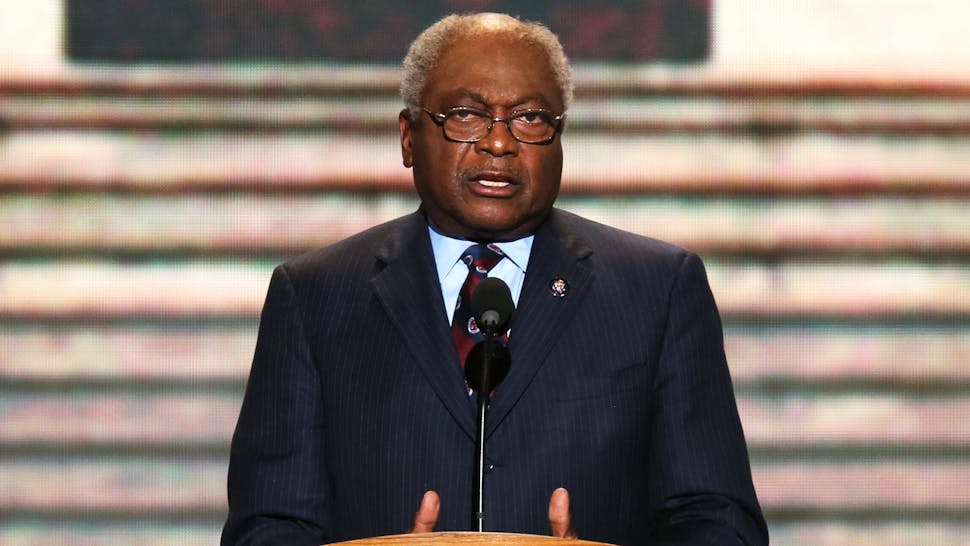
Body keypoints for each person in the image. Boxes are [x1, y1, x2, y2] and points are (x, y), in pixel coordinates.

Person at [222, 12, 768, 546]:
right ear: (409, 137)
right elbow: (268, 525)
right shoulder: (316, 295)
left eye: (530, 118)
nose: (499, 144)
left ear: (560, 140)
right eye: (466, 114)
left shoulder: (658, 290)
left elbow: (719, 522)